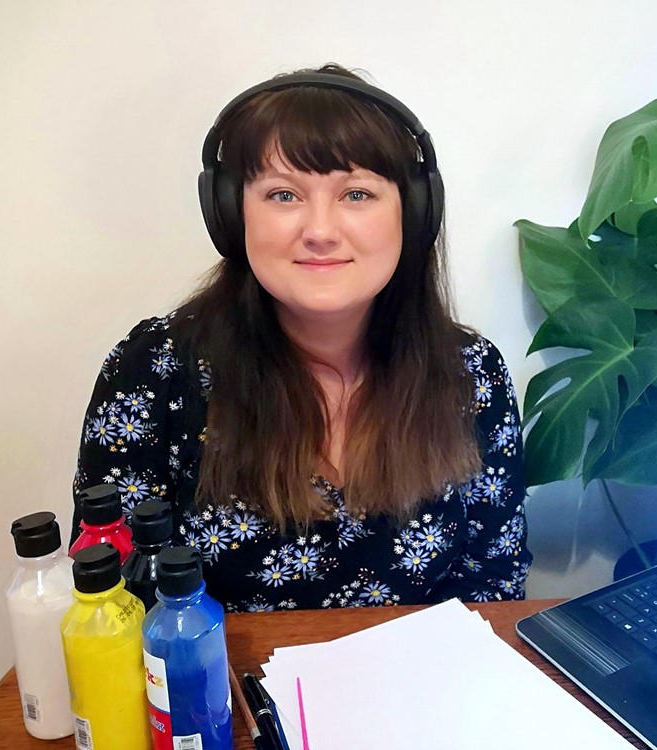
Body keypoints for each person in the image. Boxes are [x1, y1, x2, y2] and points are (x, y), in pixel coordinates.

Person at [71, 64, 531, 612]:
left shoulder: (468, 373)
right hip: (224, 695)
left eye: (357, 194)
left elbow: (495, 588)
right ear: (228, 211)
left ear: (414, 212)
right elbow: (112, 605)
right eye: (283, 195)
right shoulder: (153, 372)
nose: (319, 231)